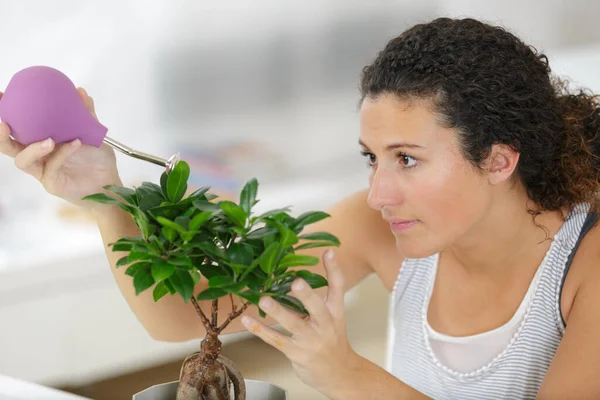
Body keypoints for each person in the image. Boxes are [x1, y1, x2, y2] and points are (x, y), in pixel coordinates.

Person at [2, 17, 600, 399]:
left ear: (498, 161)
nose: (378, 194)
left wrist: (341, 371)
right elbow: (185, 318)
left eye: (408, 159)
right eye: (372, 158)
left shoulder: (585, 267)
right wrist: (106, 200)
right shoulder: (378, 228)